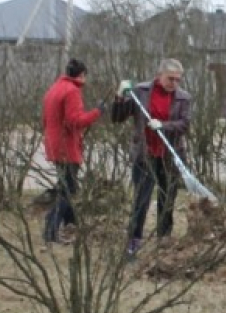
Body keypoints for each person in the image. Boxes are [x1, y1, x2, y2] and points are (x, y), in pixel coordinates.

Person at [114, 58, 192, 253]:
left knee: (167, 199)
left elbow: (185, 124)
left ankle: (163, 239)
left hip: (170, 155)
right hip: (145, 154)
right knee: (141, 199)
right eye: (170, 79)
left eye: (178, 79)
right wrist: (120, 97)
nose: (174, 83)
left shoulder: (183, 98)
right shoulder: (141, 92)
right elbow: (118, 117)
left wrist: (164, 125)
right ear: (159, 75)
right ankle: (133, 242)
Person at [40, 58, 102, 244]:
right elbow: (75, 121)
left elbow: (46, 120)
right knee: (68, 190)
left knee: (67, 186)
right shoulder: (72, 91)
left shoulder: (54, 89)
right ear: (82, 75)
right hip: (66, 146)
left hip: (54, 144)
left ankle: (71, 225)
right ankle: (51, 228)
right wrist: (97, 112)